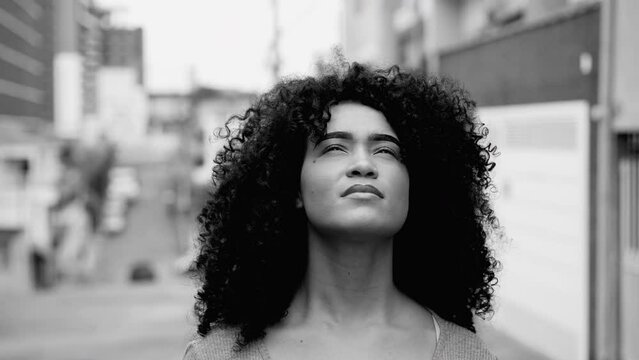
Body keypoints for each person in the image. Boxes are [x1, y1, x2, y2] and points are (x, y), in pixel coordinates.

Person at [184, 62, 500, 360]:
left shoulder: (468, 354)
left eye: (386, 150)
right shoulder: (217, 355)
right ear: (292, 187)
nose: (363, 164)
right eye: (335, 147)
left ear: (414, 189)